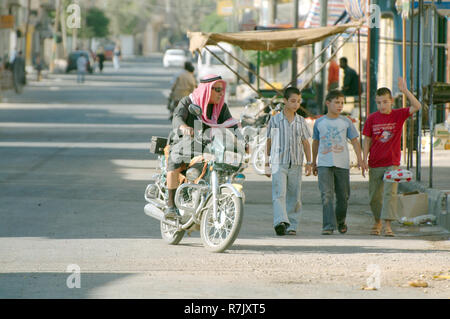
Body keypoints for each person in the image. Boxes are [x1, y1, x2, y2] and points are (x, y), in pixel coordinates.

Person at [165, 74, 244, 218]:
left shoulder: (220, 108)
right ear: (207, 89)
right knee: (175, 161)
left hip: (208, 145)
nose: (221, 93)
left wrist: (243, 142)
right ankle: (170, 206)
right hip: (184, 141)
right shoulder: (189, 102)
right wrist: (184, 127)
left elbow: (232, 125)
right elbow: (177, 117)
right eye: (217, 89)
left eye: (222, 90)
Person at [362, 77, 422, 237]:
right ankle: (377, 221)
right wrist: (363, 159)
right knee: (374, 196)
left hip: (392, 163)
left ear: (391, 102)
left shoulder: (398, 115)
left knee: (390, 194)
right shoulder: (372, 118)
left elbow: (417, 106)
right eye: (379, 102)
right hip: (375, 162)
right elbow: (367, 140)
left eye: (385, 102)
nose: (382, 105)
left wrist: (404, 91)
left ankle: (388, 225)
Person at [312, 90, 365, 235]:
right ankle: (328, 226)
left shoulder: (346, 122)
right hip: (324, 164)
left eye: (342, 103)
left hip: (342, 164)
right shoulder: (319, 122)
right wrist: (312, 162)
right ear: (328, 103)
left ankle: (340, 221)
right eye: (336, 102)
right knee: (326, 195)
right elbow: (315, 142)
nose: (340, 105)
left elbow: (355, 141)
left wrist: (360, 160)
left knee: (343, 195)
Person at [265, 87, 312, 236]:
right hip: (279, 162)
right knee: (279, 193)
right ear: (285, 101)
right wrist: (266, 162)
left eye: (298, 101)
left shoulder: (301, 121)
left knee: (295, 196)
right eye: (292, 101)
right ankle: (280, 222)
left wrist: (309, 162)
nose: (296, 104)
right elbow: (269, 141)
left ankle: (292, 224)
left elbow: (305, 143)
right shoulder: (275, 120)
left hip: (296, 163)